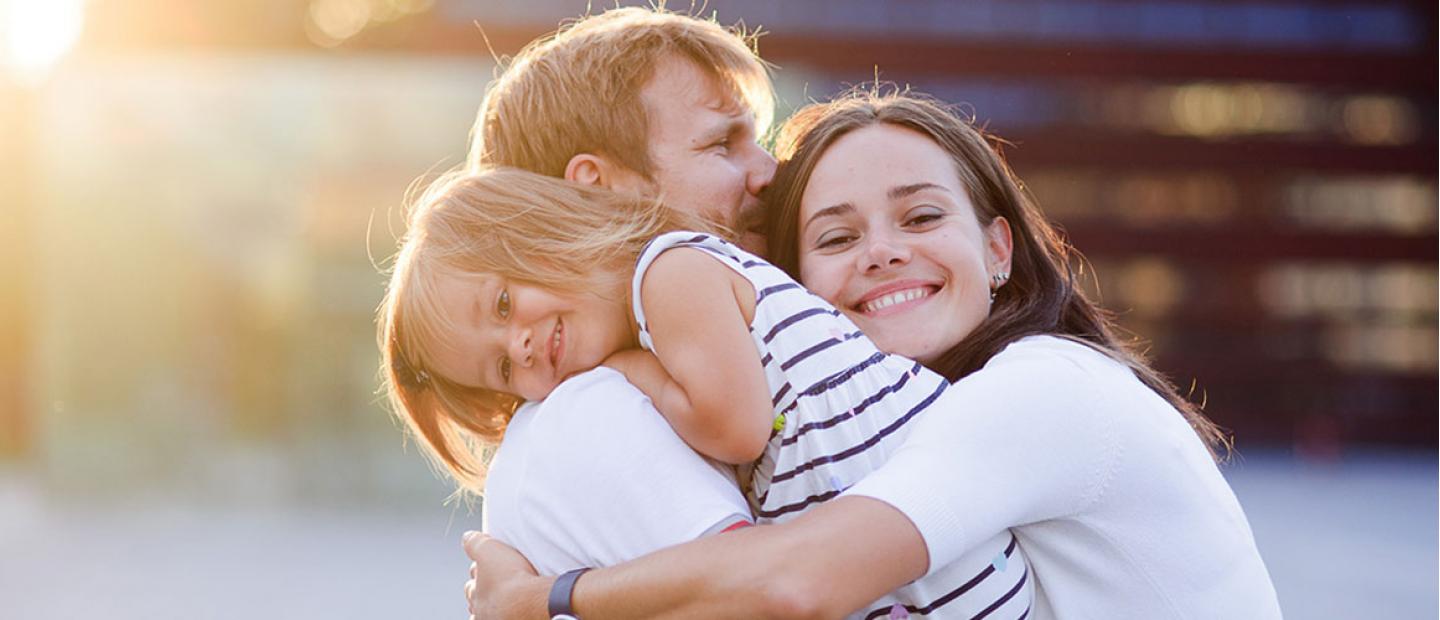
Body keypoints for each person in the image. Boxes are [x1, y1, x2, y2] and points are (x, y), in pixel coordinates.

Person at [462, 92, 1282, 618]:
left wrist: (545, 600)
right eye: (838, 237)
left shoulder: (1047, 389)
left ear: (999, 250)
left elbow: (796, 582)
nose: (883, 254)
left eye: (921, 218)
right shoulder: (885, 419)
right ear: (797, 283)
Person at [381, 166, 1034, 617]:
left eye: (502, 303)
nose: (519, 346)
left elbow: (739, 430)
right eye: (499, 370)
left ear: (543, 228)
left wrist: (637, 374)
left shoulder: (669, 275)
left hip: (957, 585)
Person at [384, 6, 782, 577]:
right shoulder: (592, 416)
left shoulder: (700, 342)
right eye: (721, 144)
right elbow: (765, 585)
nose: (769, 170)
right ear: (599, 190)